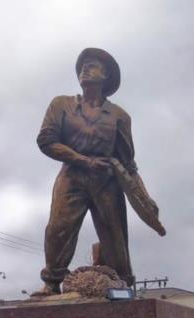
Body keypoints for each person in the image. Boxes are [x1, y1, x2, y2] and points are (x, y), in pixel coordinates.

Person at [34, 48, 138, 295]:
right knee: (58, 228)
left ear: (106, 76)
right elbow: (46, 140)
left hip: (107, 180)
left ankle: (121, 283)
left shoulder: (119, 116)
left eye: (92, 65)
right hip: (72, 175)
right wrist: (82, 160)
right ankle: (51, 282)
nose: (85, 68)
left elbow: (128, 161)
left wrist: (143, 197)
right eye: (83, 65)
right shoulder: (62, 105)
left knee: (115, 234)